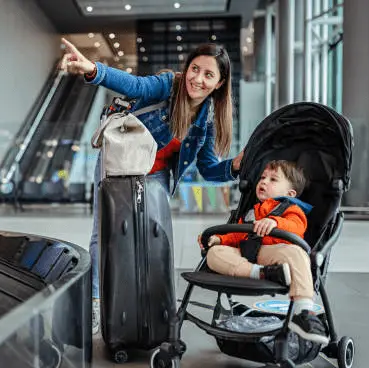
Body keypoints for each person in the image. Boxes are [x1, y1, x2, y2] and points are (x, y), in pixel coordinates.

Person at [60, 38, 244, 335]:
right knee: (104, 232)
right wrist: (93, 70)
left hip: (155, 177)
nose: (197, 78)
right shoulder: (170, 84)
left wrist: (236, 165)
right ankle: (95, 302)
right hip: (117, 163)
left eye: (208, 74)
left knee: (151, 239)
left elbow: (209, 168)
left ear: (220, 83)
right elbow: (136, 86)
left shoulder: (207, 119)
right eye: (195, 69)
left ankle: (145, 305)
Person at [201, 160, 329, 345]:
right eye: (262, 177)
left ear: (290, 193)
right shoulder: (252, 212)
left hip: (274, 252)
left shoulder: (291, 209)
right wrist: (220, 239)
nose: (264, 182)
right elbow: (237, 234)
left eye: (273, 179)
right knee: (214, 254)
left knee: (296, 252)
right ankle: (260, 274)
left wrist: (276, 223)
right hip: (247, 255)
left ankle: (303, 312)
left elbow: (297, 227)